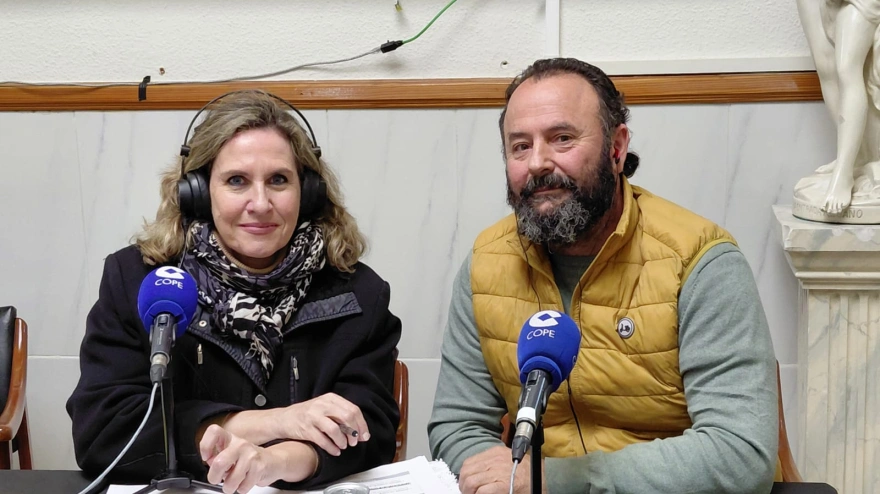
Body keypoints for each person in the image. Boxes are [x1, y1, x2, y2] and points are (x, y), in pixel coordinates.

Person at [428, 58, 779, 494]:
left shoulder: (700, 262)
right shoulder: (486, 263)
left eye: (562, 138)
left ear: (616, 148)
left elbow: (741, 454)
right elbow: (457, 425)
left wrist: (552, 481)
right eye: (520, 146)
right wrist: (500, 479)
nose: (537, 163)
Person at [67, 90, 401, 494]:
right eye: (237, 181)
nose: (260, 204)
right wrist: (276, 422)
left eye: (278, 180)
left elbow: (372, 433)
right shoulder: (138, 281)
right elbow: (102, 429)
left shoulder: (359, 294)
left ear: (308, 192)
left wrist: (276, 461)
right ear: (198, 191)